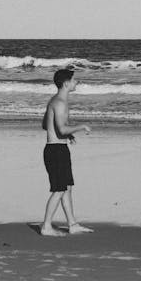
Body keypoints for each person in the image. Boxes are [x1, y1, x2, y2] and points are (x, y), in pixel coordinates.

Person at [40, 68, 93, 237]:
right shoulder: (60, 103)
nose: (76, 82)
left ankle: (73, 224)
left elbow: (45, 125)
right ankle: (46, 226)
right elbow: (61, 128)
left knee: (67, 187)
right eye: (74, 80)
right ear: (66, 83)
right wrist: (81, 127)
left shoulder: (54, 101)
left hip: (57, 148)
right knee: (59, 189)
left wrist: (67, 134)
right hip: (56, 151)